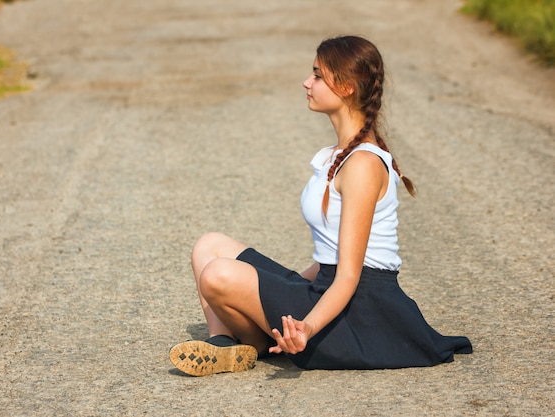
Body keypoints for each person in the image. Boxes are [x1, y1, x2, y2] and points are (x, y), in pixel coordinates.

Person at [169, 35, 472, 377]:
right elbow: (329, 257)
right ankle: (223, 345)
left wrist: (307, 327)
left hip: (359, 314)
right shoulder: (337, 155)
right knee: (208, 246)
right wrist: (282, 286)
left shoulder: (362, 165)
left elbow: (348, 277)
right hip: (324, 289)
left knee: (218, 274)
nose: (306, 82)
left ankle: (250, 344)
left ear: (345, 87)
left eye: (316, 75)